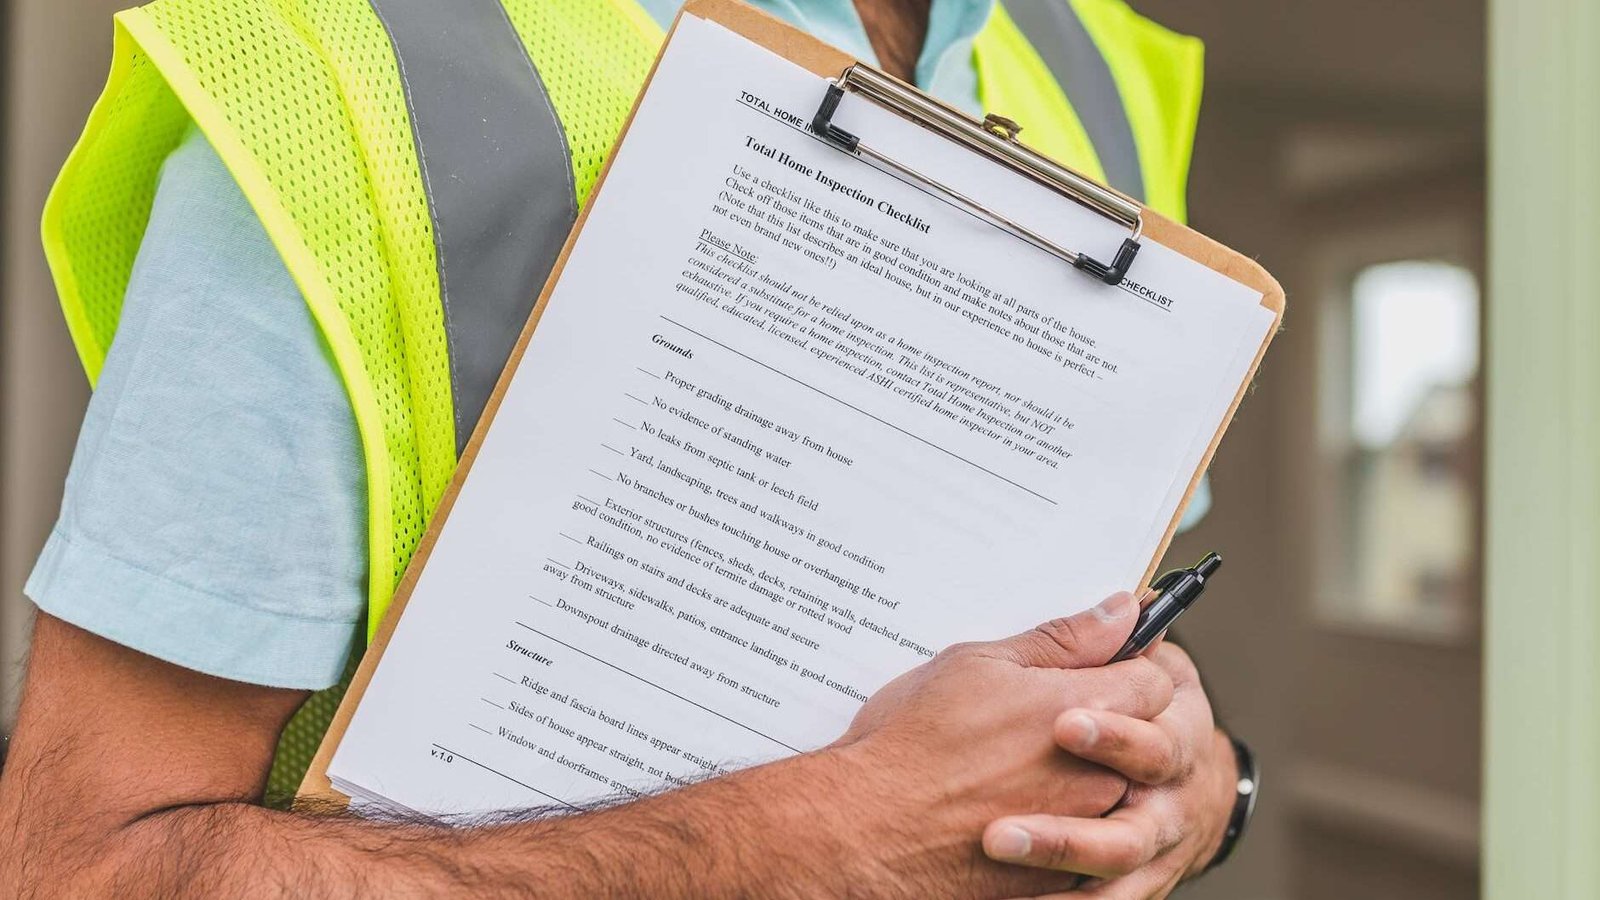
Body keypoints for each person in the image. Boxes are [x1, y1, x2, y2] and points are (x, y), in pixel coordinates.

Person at [0, 0, 1248, 895]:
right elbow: (84, 870)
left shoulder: (1094, 64)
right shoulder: (345, 65)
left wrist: (1200, 792)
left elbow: (1094, 631)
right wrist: (821, 840)